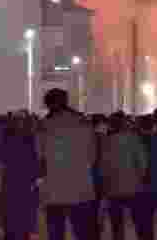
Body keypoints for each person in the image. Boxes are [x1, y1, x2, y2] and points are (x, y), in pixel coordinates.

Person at [39, 88, 101, 240]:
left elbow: (40, 159)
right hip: (81, 188)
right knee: (83, 232)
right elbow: (93, 157)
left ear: (49, 104)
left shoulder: (44, 127)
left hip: (54, 190)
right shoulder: (84, 124)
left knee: (55, 233)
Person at [100, 112, 151, 240]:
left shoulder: (106, 141)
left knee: (116, 225)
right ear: (124, 124)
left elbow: (103, 167)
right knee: (140, 222)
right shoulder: (134, 138)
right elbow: (143, 162)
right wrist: (141, 177)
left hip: (113, 188)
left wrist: (105, 184)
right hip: (134, 186)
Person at [0, 112, 40, 240]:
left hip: (10, 185)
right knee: (23, 224)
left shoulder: (5, 140)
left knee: (10, 223)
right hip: (25, 187)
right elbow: (35, 165)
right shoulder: (31, 141)